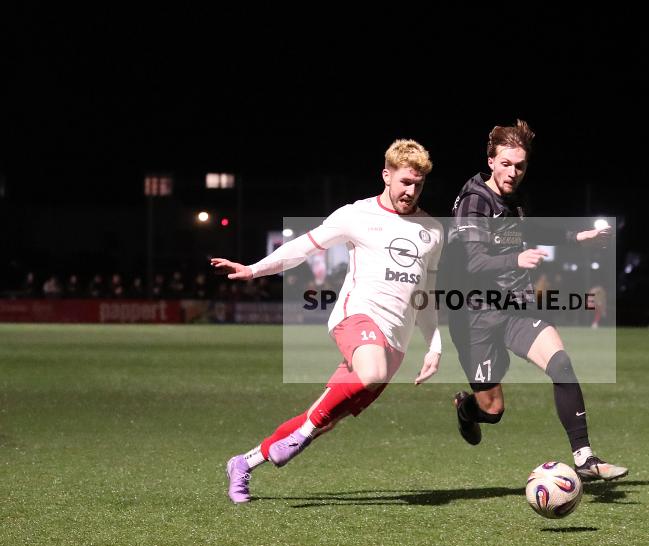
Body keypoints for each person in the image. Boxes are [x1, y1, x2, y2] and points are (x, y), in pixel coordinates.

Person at [212, 139, 443, 503]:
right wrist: (254, 269)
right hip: (357, 317)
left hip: (395, 344)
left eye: (418, 184)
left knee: (326, 420)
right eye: (404, 182)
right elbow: (303, 248)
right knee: (365, 376)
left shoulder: (432, 230)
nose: (410, 191)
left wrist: (434, 344)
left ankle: (243, 463)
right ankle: (301, 433)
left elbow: (425, 294)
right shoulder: (356, 215)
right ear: (386, 175)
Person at [445, 119, 627, 481]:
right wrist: (515, 258)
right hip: (474, 317)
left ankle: (585, 458)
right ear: (491, 161)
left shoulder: (516, 198)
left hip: (516, 309)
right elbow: (472, 262)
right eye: (507, 164)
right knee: (492, 410)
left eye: (521, 165)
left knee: (561, 364)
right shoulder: (474, 203)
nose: (513, 172)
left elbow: (536, 229)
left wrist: (580, 237)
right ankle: (467, 408)